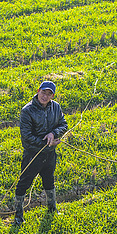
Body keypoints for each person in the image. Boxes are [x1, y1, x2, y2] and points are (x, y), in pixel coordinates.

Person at [14, 80, 68, 224]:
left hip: (50, 154)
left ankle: (52, 209)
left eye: (49, 94)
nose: (45, 96)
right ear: (38, 91)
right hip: (33, 155)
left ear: (53, 96)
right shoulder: (27, 111)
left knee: (49, 180)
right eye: (44, 92)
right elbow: (26, 136)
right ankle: (18, 216)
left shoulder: (56, 107)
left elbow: (64, 125)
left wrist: (53, 133)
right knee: (24, 183)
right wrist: (46, 143)